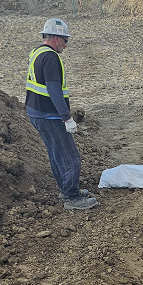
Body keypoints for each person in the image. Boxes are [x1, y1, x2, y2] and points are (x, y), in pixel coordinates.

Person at [25, 17, 98, 211]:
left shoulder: (37, 52)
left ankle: (66, 190)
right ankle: (72, 198)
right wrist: (67, 117)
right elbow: (54, 89)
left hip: (37, 112)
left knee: (56, 153)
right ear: (56, 38)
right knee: (70, 157)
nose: (66, 44)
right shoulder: (50, 57)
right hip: (49, 114)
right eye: (65, 40)